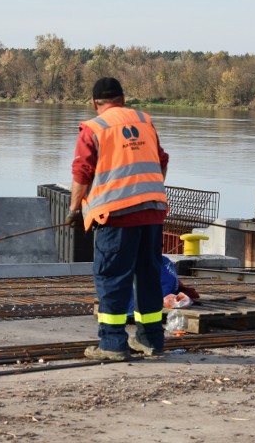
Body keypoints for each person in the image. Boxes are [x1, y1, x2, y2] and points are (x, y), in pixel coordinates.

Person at [65, 77, 169, 361]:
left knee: (112, 276)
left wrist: (75, 210)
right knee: (148, 275)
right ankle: (151, 340)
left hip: (117, 215)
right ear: (123, 99)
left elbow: (82, 172)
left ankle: (112, 343)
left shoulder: (93, 128)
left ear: (94, 103)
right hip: (152, 211)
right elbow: (161, 160)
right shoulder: (145, 121)